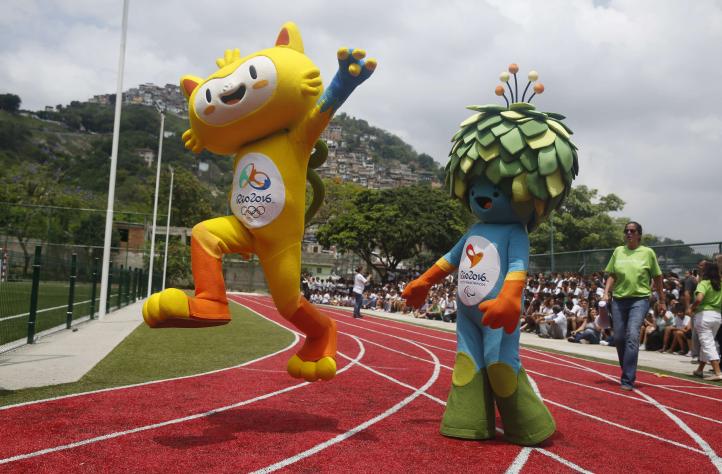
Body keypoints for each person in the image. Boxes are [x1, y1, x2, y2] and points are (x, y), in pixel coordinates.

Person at [603, 221, 665, 391]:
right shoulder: (618, 251)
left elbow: (658, 277)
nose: (628, 233)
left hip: (640, 300)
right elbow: (612, 274)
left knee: (632, 335)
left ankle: (628, 379)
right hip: (619, 300)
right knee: (619, 338)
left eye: (632, 231)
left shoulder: (648, 253)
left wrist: (662, 300)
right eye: (626, 231)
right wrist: (606, 292)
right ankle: (627, 368)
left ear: (639, 234)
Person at [688, 262, 722, 381]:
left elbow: (699, 298)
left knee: (707, 344)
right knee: (707, 343)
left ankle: (718, 372)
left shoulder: (704, 283)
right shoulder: (720, 285)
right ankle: (700, 370)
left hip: (704, 316)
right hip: (717, 316)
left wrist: (691, 308)